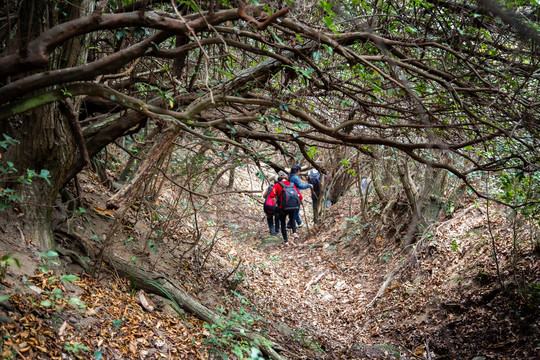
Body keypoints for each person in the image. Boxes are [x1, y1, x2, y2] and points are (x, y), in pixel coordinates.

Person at [269, 170, 302, 245]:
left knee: (283, 224)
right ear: (286, 177)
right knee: (292, 219)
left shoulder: (277, 185)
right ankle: (294, 232)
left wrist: (276, 203)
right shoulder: (291, 184)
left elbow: (271, 195)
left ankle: (286, 241)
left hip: (282, 207)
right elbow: (299, 194)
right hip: (292, 206)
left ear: (279, 178)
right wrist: (300, 203)